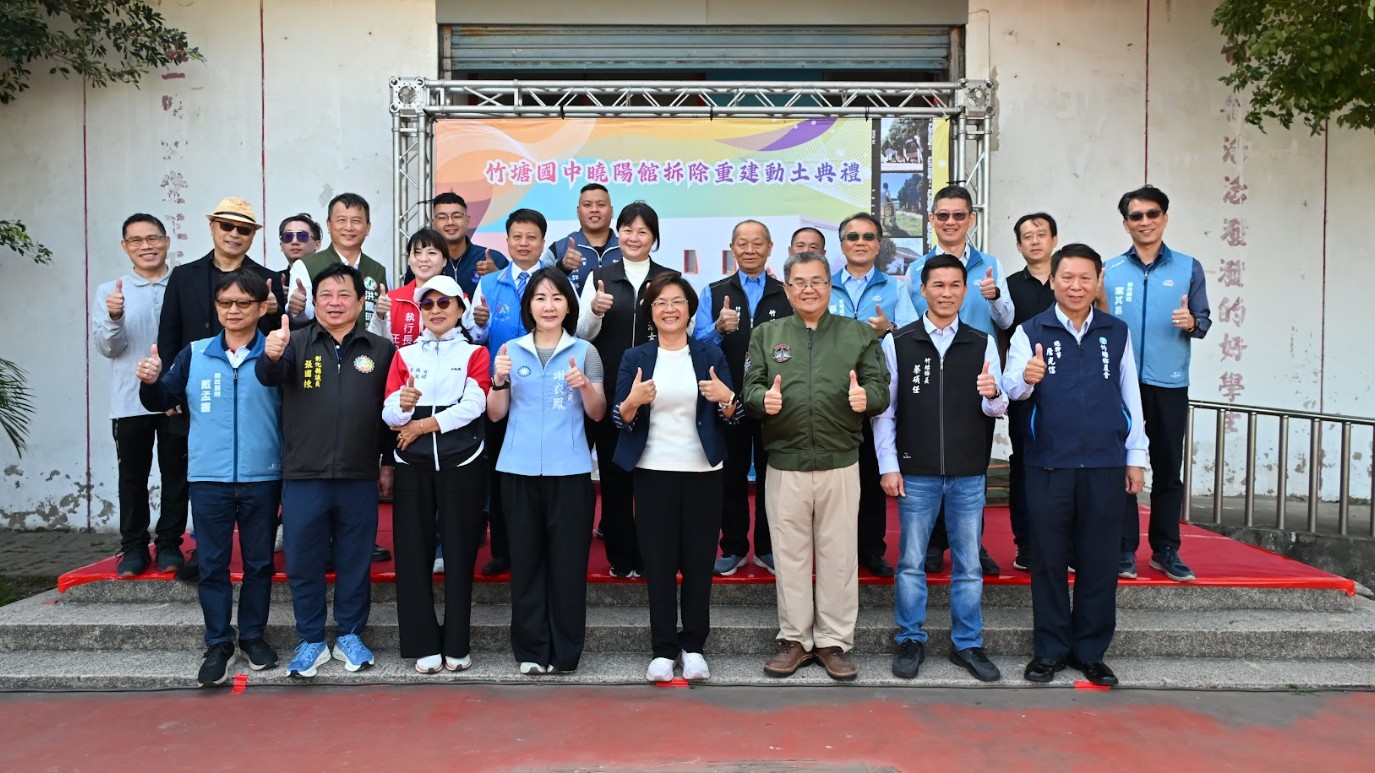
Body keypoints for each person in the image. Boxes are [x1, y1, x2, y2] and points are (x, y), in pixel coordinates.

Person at [1003, 243, 1147, 687]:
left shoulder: (1116, 332)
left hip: (1105, 463)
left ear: (1098, 280)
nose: (1076, 286)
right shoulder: (1030, 330)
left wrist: (1136, 457)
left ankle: (1091, 652)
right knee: (1047, 560)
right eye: (1067, 277)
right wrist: (1026, 379)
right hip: (1048, 464)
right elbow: (1009, 389)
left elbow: (1131, 396)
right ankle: (1049, 651)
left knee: (1099, 560)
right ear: (1052, 281)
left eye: (1086, 278)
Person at [742, 250, 890, 682]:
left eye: (817, 281)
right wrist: (762, 400)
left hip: (840, 462)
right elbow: (749, 387)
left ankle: (834, 642)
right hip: (785, 463)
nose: (809, 289)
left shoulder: (857, 334)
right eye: (800, 282)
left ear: (830, 285)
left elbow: (880, 388)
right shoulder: (767, 334)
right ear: (787, 289)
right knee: (789, 555)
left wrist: (867, 398)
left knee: (839, 555)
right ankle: (794, 640)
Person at [136, 270, 283, 686]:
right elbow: (163, 399)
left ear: (261, 308)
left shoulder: (275, 355)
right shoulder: (194, 353)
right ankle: (218, 641)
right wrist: (150, 382)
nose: (233, 310)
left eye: (242, 303)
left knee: (259, 563)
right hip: (208, 477)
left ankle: (252, 636)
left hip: (262, 476)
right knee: (213, 565)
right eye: (224, 303)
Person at [256, 262, 396, 679]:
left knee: (355, 559)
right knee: (303, 560)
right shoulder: (295, 342)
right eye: (326, 296)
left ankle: (350, 633)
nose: (335, 303)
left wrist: (387, 462)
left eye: (344, 295)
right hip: (304, 473)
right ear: (314, 302)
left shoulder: (380, 350)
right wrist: (271, 354)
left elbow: (390, 414)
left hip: (358, 473)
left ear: (360, 301)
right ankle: (311, 638)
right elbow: (269, 376)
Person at [873, 255, 1007, 682]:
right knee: (911, 561)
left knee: (968, 564)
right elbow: (885, 412)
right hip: (916, 472)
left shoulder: (982, 342)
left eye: (954, 286)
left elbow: (999, 406)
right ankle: (910, 638)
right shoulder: (899, 341)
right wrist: (889, 466)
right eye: (938, 285)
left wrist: (993, 394)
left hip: (968, 471)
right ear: (923, 290)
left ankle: (967, 643)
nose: (946, 293)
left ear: (964, 291)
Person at [615, 274, 738, 682]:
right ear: (651, 312)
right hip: (653, 472)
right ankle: (664, 649)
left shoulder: (709, 353)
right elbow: (620, 418)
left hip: (703, 472)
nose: (670, 309)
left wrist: (727, 399)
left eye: (678, 302)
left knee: (700, 562)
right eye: (660, 303)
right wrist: (632, 402)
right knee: (659, 562)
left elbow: (731, 414)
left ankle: (695, 646)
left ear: (690, 309)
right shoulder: (636, 357)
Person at [487, 268, 606, 675]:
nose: (549, 305)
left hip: (569, 471)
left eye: (557, 297)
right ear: (529, 307)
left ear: (569, 305)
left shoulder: (585, 352)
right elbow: (496, 414)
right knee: (526, 562)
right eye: (540, 298)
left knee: (568, 565)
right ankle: (531, 651)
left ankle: (566, 652)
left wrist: (584, 385)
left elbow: (598, 412)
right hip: (517, 470)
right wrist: (498, 381)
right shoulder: (510, 350)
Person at [158, 196, 283, 577]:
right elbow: (169, 333)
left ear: (252, 235)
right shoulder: (184, 275)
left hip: (248, 394)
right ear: (212, 227)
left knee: (246, 477)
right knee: (185, 471)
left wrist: (273, 310)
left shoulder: (268, 279)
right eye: (226, 226)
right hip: (194, 387)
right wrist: (169, 387)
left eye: (243, 229)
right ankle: (178, 545)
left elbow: (277, 342)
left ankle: (241, 554)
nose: (233, 234)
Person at [1102, 185, 1211, 583]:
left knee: (1167, 467)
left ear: (1165, 218)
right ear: (1126, 223)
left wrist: (1192, 322)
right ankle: (1123, 548)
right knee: (1120, 465)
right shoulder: (1109, 270)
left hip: (1169, 383)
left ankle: (1166, 548)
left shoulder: (1188, 268)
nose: (1145, 222)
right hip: (1120, 384)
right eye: (1136, 216)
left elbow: (1203, 321)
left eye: (1152, 214)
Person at [382, 276, 490, 674]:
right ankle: (423, 642)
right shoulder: (404, 355)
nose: (436, 310)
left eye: (445, 303)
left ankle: (457, 643)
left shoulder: (476, 353)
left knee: (460, 554)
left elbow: (475, 404)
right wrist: (404, 405)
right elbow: (389, 414)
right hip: (412, 464)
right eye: (427, 304)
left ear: (461, 309)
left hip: (463, 461)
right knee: (413, 554)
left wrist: (422, 426)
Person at [906, 185, 1013, 576]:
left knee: (972, 465)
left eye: (958, 215)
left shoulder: (990, 265)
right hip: (928, 376)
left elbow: (1006, 320)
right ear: (932, 219)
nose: (950, 222)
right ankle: (934, 544)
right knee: (930, 460)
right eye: (943, 215)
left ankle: (972, 542)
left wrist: (994, 296)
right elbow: (905, 324)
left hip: (977, 379)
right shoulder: (917, 269)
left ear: (971, 219)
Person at [286, 193, 394, 564]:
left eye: (356, 220)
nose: (349, 227)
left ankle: (354, 541)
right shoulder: (307, 264)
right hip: (318, 359)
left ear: (368, 227)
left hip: (364, 360)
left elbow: (379, 325)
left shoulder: (377, 270)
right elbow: (298, 317)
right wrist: (294, 311)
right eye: (341, 220)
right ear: (329, 226)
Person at [578, 201, 681, 578]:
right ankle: (621, 555)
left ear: (654, 238)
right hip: (611, 389)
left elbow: (683, 328)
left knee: (655, 479)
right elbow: (581, 334)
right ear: (617, 233)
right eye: (627, 229)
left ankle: (655, 554)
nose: (633, 237)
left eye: (642, 231)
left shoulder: (668, 278)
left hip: (660, 389)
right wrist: (595, 309)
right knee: (615, 474)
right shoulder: (600, 277)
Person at [694, 220, 793, 576]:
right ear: (732, 248)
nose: (749, 249)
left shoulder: (786, 292)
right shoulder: (714, 291)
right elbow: (697, 345)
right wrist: (718, 328)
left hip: (775, 400)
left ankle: (768, 548)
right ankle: (734, 546)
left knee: (774, 477)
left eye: (757, 243)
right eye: (742, 243)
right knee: (731, 476)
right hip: (728, 398)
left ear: (770, 247)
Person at [92, 213, 186, 577]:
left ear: (166, 242)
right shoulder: (111, 291)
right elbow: (107, 348)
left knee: (177, 474)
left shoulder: (182, 285)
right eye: (136, 240)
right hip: (129, 402)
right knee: (132, 477)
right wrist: (114, 316)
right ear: (125, 246)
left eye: (153, 238)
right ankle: (133, 546)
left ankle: (169, 543)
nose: (146, 246)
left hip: (174, 400)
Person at [827, 212, 919, 579]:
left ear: (879, 245)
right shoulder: (825, 285)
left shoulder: (895, 288)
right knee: (835, 479)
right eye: (852, 237)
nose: (860, 242)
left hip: (876, 394)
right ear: (842, 244)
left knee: (870, 471)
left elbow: (913, 334)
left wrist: (889, 328)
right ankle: (838, 551)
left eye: (868, 236)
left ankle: (872, 548)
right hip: (831, 395)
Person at [466, 209, 548, 577]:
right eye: (517, 237)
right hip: (499, 393)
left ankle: (541, 547)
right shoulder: (489, 283)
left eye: (531, 237)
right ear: (508, 241)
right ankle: (502, 550)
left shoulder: (553, 283)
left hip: (543, 394)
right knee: (500, 473)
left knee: (540, 475)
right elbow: (476, 337)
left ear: (542, 242)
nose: (524, 243)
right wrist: (480, 324)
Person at [1006, 212, 1060, 571]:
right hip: (1025, 390)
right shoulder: (1010, 287)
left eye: (1041, 234)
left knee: (1067, 468)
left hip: (1070, 391)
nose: (1035, 241)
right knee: (1024, 465)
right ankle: (1025, 543)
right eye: (1028, 236)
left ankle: (1064, 543)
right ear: (1019, 245)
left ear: (1054, 239)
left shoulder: (1069, 280)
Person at [411, 191, 510, 297]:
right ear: (433, 223)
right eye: (442, 217)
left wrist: (497, 276)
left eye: (457, 216)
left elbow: (514, 298)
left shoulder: (495, 259)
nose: (450, 222)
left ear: (468, 220)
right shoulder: (422, 264)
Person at [541, 183, 620, 291]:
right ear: (578, 212)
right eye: (587, 205)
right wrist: (562, 267)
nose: (594, 209)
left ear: (611, 211)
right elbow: (540, 288)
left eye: (601, 205)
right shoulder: (558, 249)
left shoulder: (627, 248)